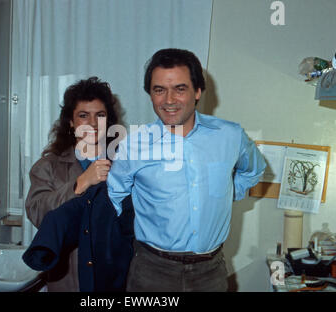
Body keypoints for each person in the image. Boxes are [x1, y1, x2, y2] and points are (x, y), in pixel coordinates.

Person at [106, 48, 266, 292]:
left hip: (210, 273)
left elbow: (253, 170)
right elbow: (112, 201)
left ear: (198, 91)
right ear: (150, 94)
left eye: (180, 89)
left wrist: (228, 192)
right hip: (151, 271)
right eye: (159, 90)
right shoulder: (133, 146)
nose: (169, 100)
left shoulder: (230, 136)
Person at [25, 76, 120, 292]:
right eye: (84, 116)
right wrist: (81, 183)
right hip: (69, 280)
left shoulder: (126, 163)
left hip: (113, 279)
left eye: (100, 115)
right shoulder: (47, 166)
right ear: (70, 122)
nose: (93, 124)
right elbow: (38, 214)